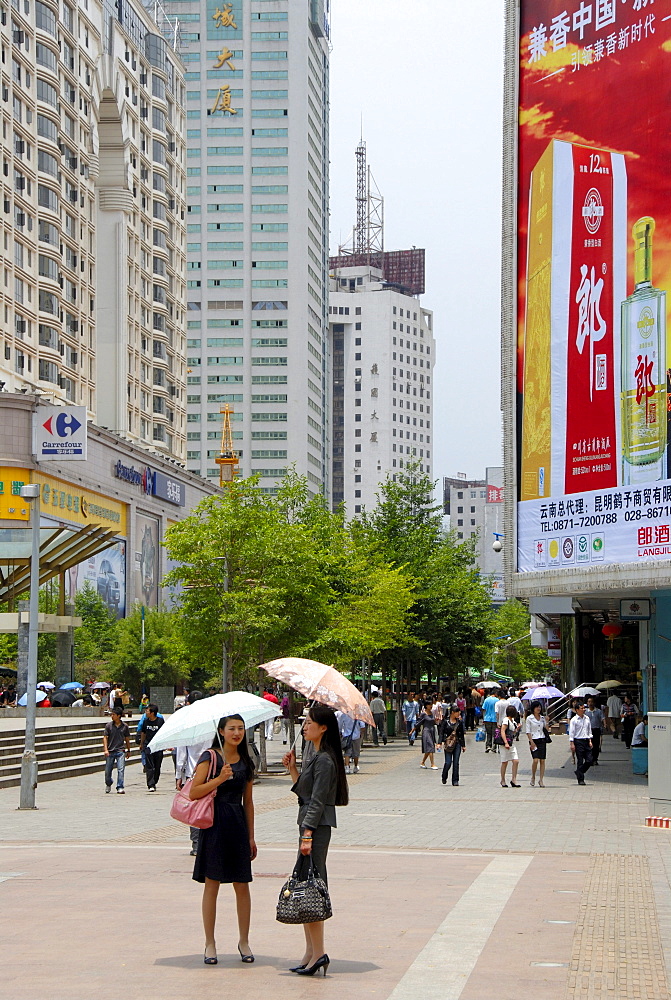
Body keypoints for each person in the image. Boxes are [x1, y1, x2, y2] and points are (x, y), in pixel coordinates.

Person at [282, 703, 348, 977]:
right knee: (307, 884)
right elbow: (306, 794)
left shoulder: (324, 759)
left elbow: (318, 802)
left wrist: (307, 832)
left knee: (312, 886)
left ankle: (318, 953)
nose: (305, 726)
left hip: (315, 829)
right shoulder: (318, 756)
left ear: (323, 728)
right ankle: (310, 952)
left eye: (309, 722)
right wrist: (293, 770)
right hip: (311, 826)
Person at [190, 714, 257, 965]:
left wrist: (251, 836)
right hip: (214, 824)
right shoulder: (210, 757)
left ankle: (244, 940)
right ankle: (210, 943)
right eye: (231, 729)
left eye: (240, 728)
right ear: (221, 731)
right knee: (212, 883)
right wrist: (219, 779)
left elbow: (248, 802)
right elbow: (195, 791)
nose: (237, 733)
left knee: (242, 884)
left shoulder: (247, 761)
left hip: (237, 824)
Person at [103, 709, 131, 793]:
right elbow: (105, 737)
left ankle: (120, 786)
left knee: (121, 769)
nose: (112, 716)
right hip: (110, 750)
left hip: (120, 751)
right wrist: (105, 749)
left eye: (113, 714)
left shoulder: (124, 726)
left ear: (118, 716)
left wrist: (128, 750)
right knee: (108, 770)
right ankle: (108, 783)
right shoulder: (109, 726)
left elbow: (127, 739)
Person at [139, 704, 165, 791]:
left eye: (147, 711)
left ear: (152, 713)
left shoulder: (160, 721)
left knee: (157, 765)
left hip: (158, 746)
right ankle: (150, 784)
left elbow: (164, 733)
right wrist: (142, 744)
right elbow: (143, 733)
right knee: (149, 765)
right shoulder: (146, 721)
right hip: (148, 746)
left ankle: (155, 780)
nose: (146, 712)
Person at [438, 704, 466, 786]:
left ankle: (455, 780)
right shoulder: (445, 721)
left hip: (457, 744)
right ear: (452, 713)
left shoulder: (459, 722)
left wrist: (463, 745)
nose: (458, 714)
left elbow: (461, 734)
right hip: (448, 744)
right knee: (448, 762)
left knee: (456, 762)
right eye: (457, 712)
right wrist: (439, 743)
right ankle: (444, 775)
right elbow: (441, 733)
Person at [569, 702, 593, 785]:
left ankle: (579, 771)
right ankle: (581, 779)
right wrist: (572, 743)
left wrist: (590, 740)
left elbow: (589, 730)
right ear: (577, 710)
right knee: (580, 760)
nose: (584, 710)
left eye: (584, 708)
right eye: (581, 708)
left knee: (589, 760)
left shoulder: (587, 718)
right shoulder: (574, 720)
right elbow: (571, 732)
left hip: (586, 740)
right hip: (578, 741)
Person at [525, 700, 547, 787]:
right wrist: (531, 742)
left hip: (542, 739)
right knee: (535, 760)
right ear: (533, 708)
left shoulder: (542, 718)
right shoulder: (529, 718)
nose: (538, 708)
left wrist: (547, 721)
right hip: (534, 740)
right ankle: (533, 776)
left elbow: (546, 729)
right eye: (537, 707)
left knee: (542, 760)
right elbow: (528, 731)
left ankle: (541, 780)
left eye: (539, 707)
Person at [499, 706, 521, 787]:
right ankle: (503, 780)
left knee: (516, 761)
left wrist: (517, 729)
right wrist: (505, 742)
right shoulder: (506, 720)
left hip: (512, 743)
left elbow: (513, 733)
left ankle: (514, 779)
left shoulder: (513, 721)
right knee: (504, 762)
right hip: (505, 744)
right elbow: (503, 731)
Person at [413, 703, 439, 769]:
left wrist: (435, 721)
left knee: (429, 748)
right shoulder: (423, 714)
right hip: (426, 731)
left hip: (432, 731)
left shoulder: (431, 713)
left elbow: (432, 722)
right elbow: (418, 723)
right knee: (431, 746)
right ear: (426, 706)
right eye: (429, 705)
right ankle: (432, 764)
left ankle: (422, 762)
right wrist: (412, 731)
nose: (431, 706)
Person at [586, 697, 604, 765]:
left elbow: (603, 718)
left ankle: (595, 759)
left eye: (591, 702)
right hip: (588, 730)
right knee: (589, 745)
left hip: (596, 730)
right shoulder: (586, 712)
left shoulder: (598, 711)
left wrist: (604, 723)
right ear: (587, 703)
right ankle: (590, 759)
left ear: (594, 703)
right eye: (589, 702)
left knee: (596, 745)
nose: (590, 703)